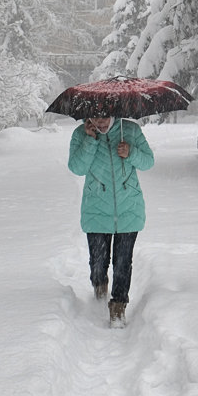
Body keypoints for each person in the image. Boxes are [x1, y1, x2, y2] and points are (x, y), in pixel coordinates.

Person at [66, 114, 155, 327]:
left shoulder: (130, 131)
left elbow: (149, 161)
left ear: (113, 113)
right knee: (98, 263)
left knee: (123, 263)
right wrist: (90, 140)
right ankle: (100, 284)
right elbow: (76, 168)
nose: (101, 123)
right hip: (96, 209)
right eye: (96, 118)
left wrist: (131, 152)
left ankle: (118, 307)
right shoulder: (80, 134)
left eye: (105, 117)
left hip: (128, 209)